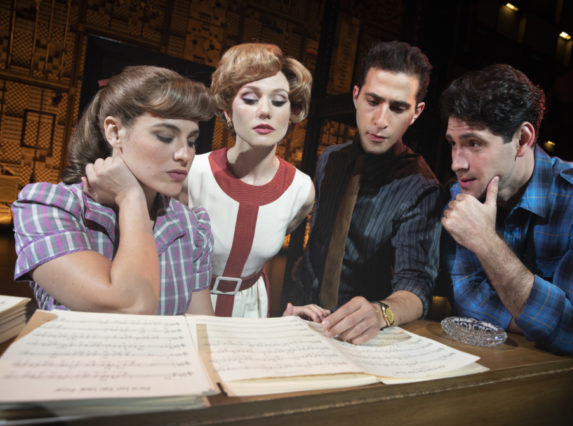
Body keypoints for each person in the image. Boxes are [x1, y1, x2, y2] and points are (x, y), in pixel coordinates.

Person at [437, 63, 573, 426]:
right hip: (502, 370)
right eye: (453, 143)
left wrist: (485, 241)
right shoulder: (463, 193)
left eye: (474, 143)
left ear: (524, 139)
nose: (457, 163)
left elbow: (566, 336)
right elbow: (467, 300)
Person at [12, 65, 217, 315]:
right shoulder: (50, 208)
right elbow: (131, 305)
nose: (185, 154)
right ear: (115, 132)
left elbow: (199, 329)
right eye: (165, 136)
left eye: (192, 141)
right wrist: (131, 197)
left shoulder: (191, 226)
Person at [290, 41, 442, 344]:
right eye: (373, 101)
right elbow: (317, 245)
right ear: (356, 96)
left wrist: (381, 312)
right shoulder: (330, 159)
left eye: (398, 108)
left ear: (416, 112)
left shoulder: (421, 187)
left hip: (360, 336)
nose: (381, 120)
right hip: (301, 317)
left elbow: (417, 285)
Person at [184, 43, 326, 321]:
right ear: (227, 109)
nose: (265, 111)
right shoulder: (191, 173)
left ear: (292, 112)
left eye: (278, 101)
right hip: (187, 305)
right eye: (250, 99)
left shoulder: (301, 190)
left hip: (253, 312)